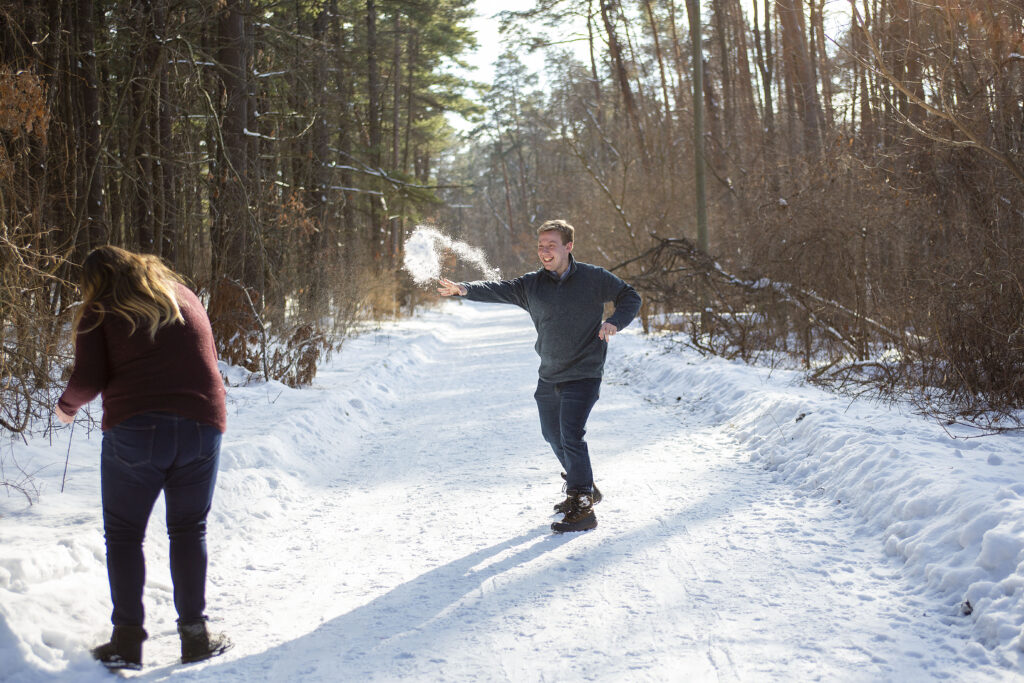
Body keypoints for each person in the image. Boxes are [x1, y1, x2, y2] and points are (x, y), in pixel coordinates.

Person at [55, 245, 232, 670]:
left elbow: (89, 378)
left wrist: (64, 407)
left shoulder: (101, 308)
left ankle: (127, 642)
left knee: (123, 534)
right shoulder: (181, 295)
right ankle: (195, 635)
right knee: (189, 528)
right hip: (203, 424)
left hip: (139, 430)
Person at [438, 219, 642, 533]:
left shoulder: (593, 278)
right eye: (541, 245)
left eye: (551, 245)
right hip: (549, 374)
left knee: (571, 434)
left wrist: (615, 321)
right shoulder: (532, 285)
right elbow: (499, 289)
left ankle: (583, 507)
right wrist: (464, 289)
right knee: (553, 435)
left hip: (584, 372)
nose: (544, 252)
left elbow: (630, 296)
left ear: (568, 247)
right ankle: (584, 485)